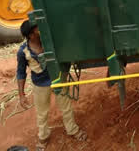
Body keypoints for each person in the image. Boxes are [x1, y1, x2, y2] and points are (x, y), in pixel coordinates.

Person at [17, 20, 87, 151]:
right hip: (40, 85)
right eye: (37, 29)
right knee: (42, 113)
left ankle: (72, 130)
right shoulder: (23, 52)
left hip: (58, 79)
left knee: (66, 107)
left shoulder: (49, 42)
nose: (40, 30)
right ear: (31, 35)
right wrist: (21, 94)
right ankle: (43, 137)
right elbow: (21, 72)